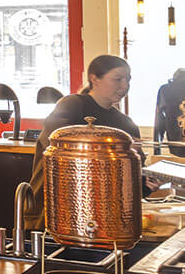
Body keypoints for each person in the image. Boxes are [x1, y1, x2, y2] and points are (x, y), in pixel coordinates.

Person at [25, 55, 141, 230]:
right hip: (58, 206)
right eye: (118, 79)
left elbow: (132, 179)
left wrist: (147, 183)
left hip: (106, 219)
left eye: (128, 80)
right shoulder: (72, 105)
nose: (125, 86)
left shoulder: (126, 124)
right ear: (94, 78)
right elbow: (55, 145)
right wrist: (112, 148)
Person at [153, 69, 185, 154]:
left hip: (176, 147)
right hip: (176, 146)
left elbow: (159, 122)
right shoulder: (165, 90)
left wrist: (157, 150)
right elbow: (159, 119)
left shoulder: (165, 90)